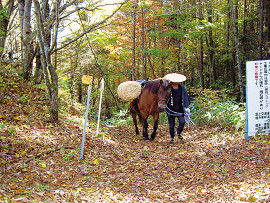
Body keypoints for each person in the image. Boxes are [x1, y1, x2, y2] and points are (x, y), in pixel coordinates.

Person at [164, 73, 191, 143]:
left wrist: (186, 106)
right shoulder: (168, 88)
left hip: (180, 109)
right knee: (171, 125)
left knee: (182, 122)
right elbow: (164, 96)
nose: (176, 82)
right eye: (174, 81)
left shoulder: (182, 88)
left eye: (177, 81)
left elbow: (185, 97)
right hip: (171, 109)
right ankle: (172, 137)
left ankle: (179, 133)